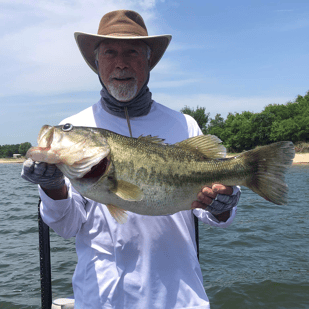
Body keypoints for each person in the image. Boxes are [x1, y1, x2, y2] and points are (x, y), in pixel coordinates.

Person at [21, 10, 240, 309]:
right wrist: (53, 187)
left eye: (132, 52)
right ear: (97, 62)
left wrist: (224, 204)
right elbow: (67, 227)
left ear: (149, 60)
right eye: (110, 52)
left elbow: (214, 217)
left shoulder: (184, 125)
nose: (121, 63)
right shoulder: (74, 126)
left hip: (179, 298)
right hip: (101, 299)